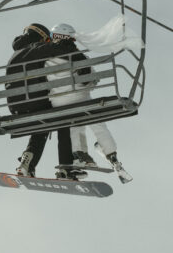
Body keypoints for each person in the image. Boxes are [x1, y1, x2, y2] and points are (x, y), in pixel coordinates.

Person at [45, 22, 132, 182]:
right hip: (81, 100)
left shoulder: (46, 57)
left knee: (72, 121)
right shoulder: (78, 55)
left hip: (58, 103)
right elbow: (92, 79)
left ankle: (79, 155)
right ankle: (110, 153)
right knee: (95, 120)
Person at [5, 23, 77, 179]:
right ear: (41, 38)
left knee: (42, 127)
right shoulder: (37, 48)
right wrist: (67, 42)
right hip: (35, 102)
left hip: (15, 106)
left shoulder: (15, 54)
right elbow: (65, 52)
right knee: (64, 118)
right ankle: (66, 168)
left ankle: (27, 163)